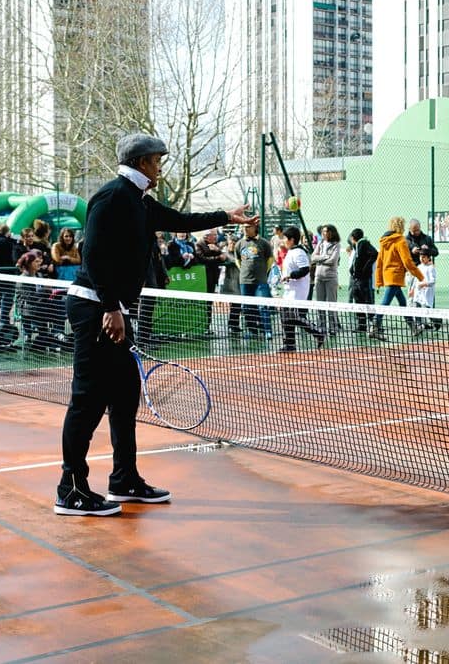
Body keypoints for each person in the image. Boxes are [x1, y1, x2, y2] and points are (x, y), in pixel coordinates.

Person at [56, 131, 255, 517]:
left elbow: (179, 219)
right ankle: (71, 489)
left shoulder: (140, 202)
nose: (161, 167)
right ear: (143, 161)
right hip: (95, 308)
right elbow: (92, 254)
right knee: (87, 401)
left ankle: (124, 479)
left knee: (125, 396)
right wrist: (111, 306)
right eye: (158, 160)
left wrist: (225, 217)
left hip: (113, 309)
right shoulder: (113, 197)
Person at [372, 216, 425, 340]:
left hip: (388, 276)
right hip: (395, 277)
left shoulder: (384, 241)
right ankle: (374, 327)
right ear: (401, 226)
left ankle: (413, 327)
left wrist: (379, 280)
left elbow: (379, 262)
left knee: (402, 302)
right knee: (385, 303)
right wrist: (420, 276)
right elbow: (407, 261)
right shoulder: (401, 241)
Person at [277, 225, 327, 352]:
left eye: (285, 238)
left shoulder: (299, 252)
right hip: (289, 290)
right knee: (284, 316)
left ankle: (318, 332)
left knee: (292, 316)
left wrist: (290, 276)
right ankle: (290, 344)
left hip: (298, 291)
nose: (283, 241)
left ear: (292, 240)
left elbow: (305, 270)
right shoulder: (291, 252)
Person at [235, 222, 273, 340]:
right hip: (245, 281)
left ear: (255, 227)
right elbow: (237, 259)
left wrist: (264, 272)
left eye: (247, 227)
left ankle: (267, 330)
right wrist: (242, 269)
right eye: (244, 227)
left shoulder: (264, 243)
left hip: (261, 281)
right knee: (247, 307)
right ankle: (252, 331)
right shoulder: (239, 244)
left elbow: (270, 259)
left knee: (263, 307)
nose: (245, 229)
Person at [310, 224, 342, 335]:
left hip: (331, 278)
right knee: (320, 303)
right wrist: (324, 258)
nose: (324, 234)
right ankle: (321, 327)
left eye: (327, 231)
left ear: (332, 232)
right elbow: (313, 257)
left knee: (331, 304)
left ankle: (333, 328)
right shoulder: (321, 243)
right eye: (323, 232)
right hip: (319, 278)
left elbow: (333, 261)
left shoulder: (336, 245)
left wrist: (320, 259)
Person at [346, 228, 378, 334]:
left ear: (352, 238)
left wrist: (365, 269)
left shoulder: (363, 243)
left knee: (367, 301)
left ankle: (373, 325)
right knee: (358, 301)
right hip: (356, 279)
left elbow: (374, 254)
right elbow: (357, 261)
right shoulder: (357, 246)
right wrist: (352, 270)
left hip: (363, 279)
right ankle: (362, 325)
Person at [411, 251, 438, 329]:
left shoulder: (431, 267)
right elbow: (416, 279)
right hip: (418, 292)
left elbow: (433, 281)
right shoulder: (419, 267)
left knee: (427, 310)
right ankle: (419, 325)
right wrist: (412, 289)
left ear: (428, 258)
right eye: (420, 257)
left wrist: (424, 284)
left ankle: (437, 322)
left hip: (427, 293)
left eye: (424, 257)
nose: (421, 258)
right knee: (416, 306)